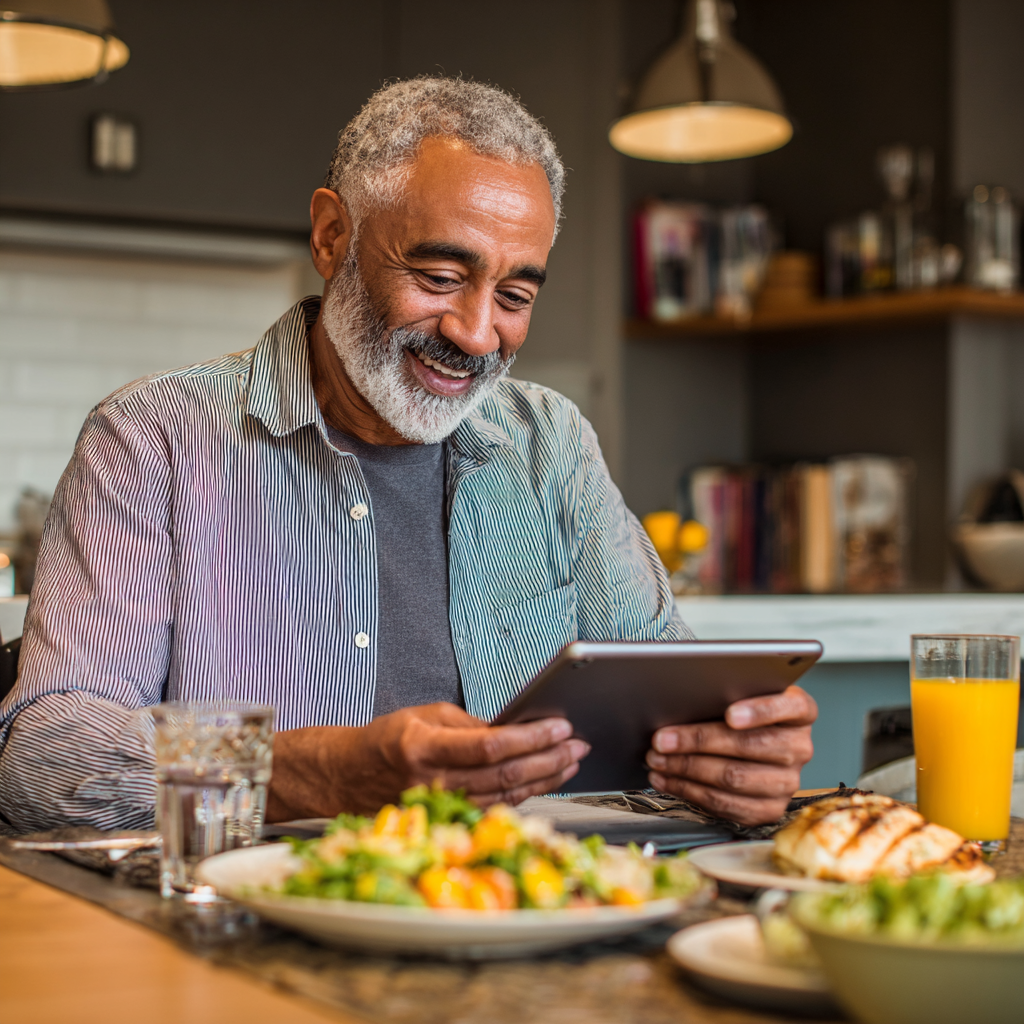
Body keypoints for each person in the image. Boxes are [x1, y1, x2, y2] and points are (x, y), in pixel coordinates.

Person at [0, 78, 816, 835]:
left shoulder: (551, 445)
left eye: (515, 296)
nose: (474, 331)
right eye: (438, 274)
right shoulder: (152, 441)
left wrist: (734, 758)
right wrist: (315, 774)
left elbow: (677, 704)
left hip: (530, 928)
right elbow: (44, 759)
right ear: (331, 236)